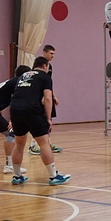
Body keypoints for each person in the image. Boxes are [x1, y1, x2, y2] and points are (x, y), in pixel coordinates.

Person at [9, 57, 71, 186]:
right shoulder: (45, 77)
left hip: (15, 109)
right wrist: (48, 118)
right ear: (45, 66)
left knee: (19, 143)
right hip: (32, 109)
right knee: (44, 143)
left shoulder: (23, 76)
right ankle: (54, 176)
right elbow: (47, 98)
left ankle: (17, 176)